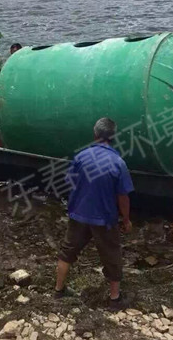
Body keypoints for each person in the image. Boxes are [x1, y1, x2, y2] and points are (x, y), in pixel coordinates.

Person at [55, 117, 133, 307]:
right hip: (104, 218)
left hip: (78, 215)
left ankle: (58, 290)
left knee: (67, 252)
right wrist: (127, 219)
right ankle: (114, 298)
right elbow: (123, 196)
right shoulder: (118, 162)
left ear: (95, 134)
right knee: (112, 255)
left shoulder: (81, 156)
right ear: (113, 136)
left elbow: (69, 182)